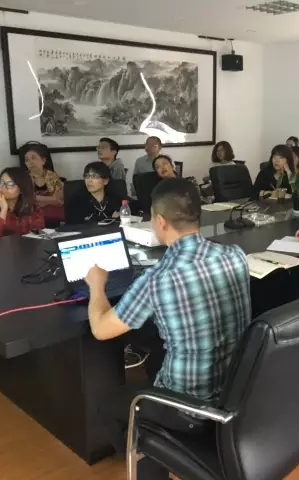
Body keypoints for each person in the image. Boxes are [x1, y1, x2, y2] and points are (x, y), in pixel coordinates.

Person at [83, 178, 251, 477]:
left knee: (109, 406)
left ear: (160, 221)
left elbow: (100, 329)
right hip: (236, 391)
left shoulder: (157, 279)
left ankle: (152, 455)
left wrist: (97, 286)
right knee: (156, 343)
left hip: (189, 409)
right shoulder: (234, 255)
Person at [0, 167, 45, 239]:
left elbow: (39, 233)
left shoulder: (33, 208)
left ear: (21, 189)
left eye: (10, 184)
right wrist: (3, 210)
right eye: (1, 183)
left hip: (27, 245)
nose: (3, 187)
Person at [23, 144, 64, 223]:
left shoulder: (53, 176)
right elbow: (24, 201)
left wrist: (35, 198)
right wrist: (50, 199)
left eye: (33, 158)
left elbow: (58, 200)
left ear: (43, 161)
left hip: (53, 214)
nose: (30, 162)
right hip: (31, 216)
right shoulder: (23, 178)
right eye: (27, 160)